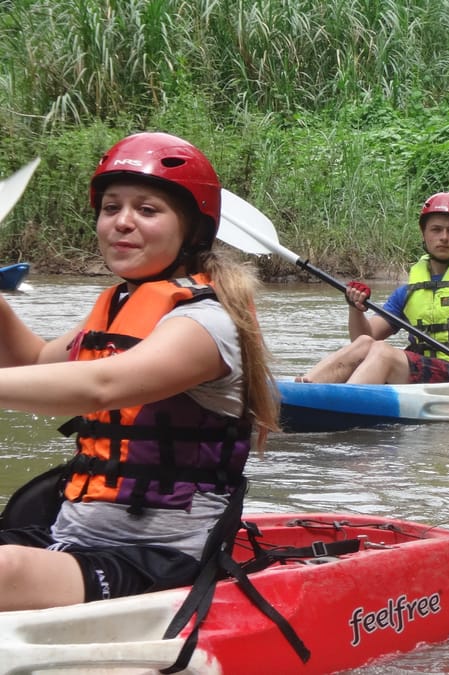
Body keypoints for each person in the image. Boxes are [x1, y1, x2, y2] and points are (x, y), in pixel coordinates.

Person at [0, 132, 277, 610]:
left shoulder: (206, 323)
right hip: (71, 536)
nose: (122, 222)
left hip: (163, 557)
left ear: (191, 229)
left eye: (147, 210)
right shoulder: (115, 308)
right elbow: (32, 365)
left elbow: (99, 386)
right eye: (111, 208)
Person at [298, 191, 449, 394]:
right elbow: (362, 338)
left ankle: (342, 402)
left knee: (383, 353)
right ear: (424, 234)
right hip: (425, 373)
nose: (444, 237)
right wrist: (355, 307)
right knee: (368, 343)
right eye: (436, 230)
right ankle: (306, 386)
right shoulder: (409, 290)